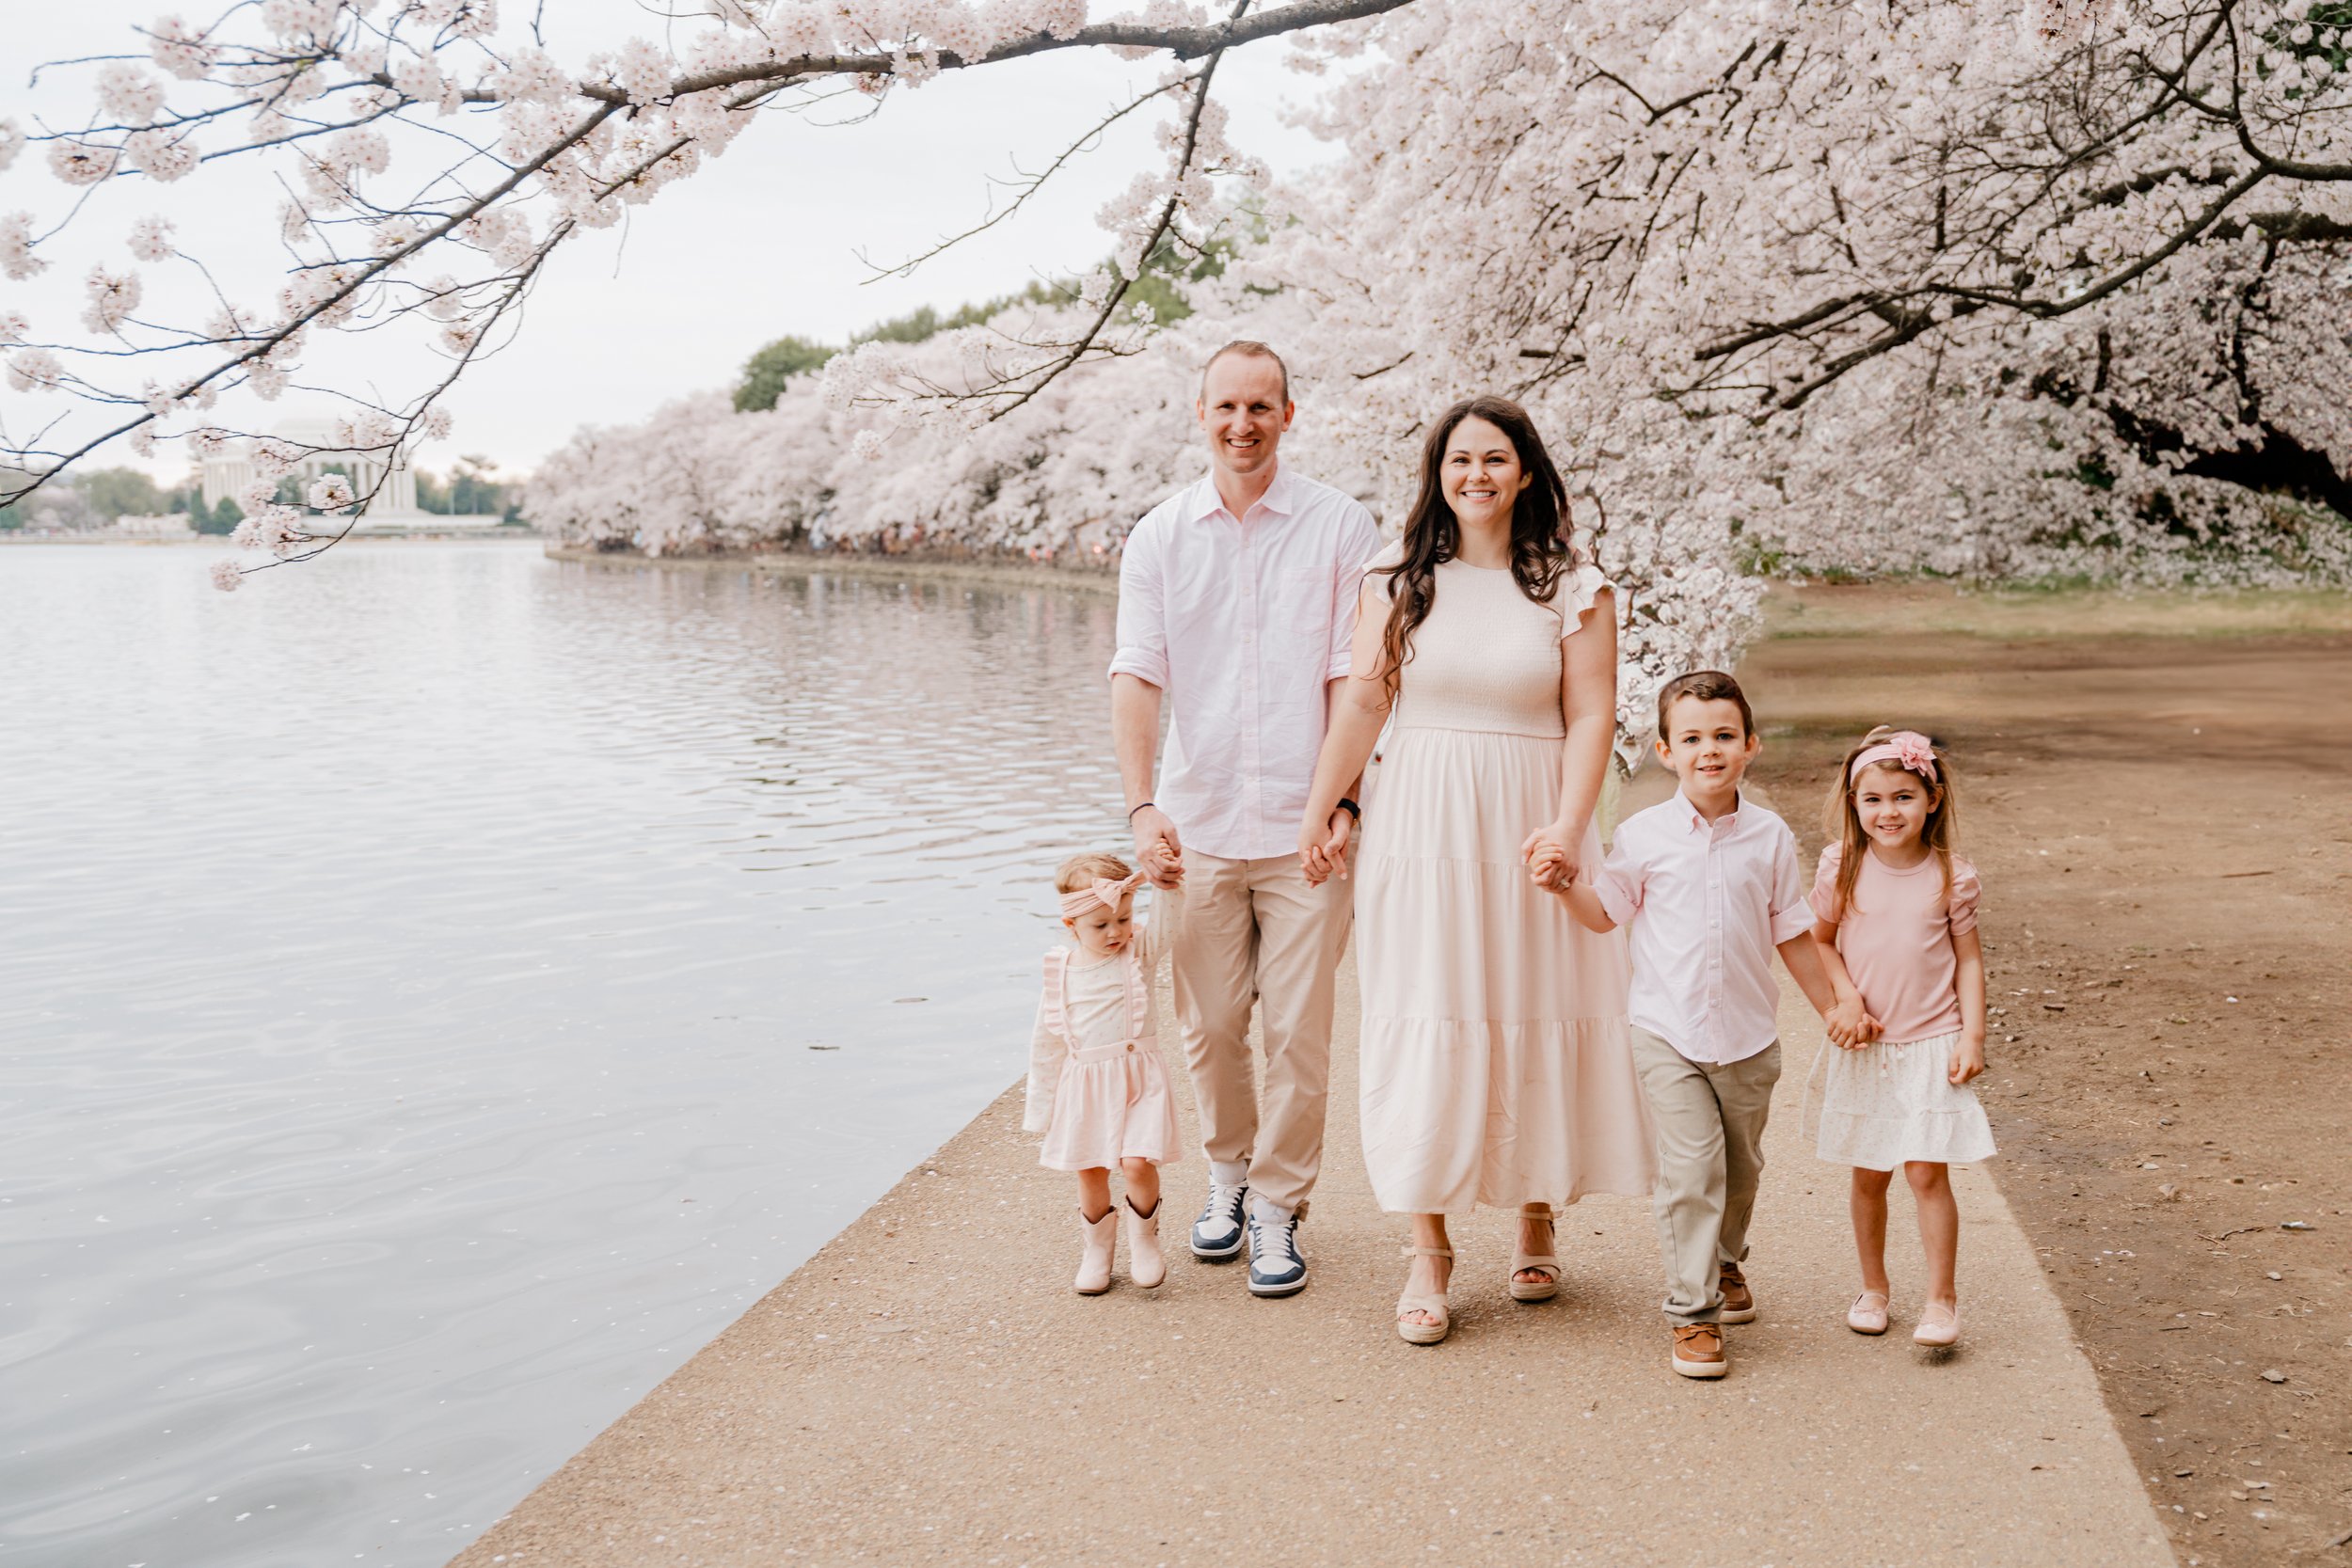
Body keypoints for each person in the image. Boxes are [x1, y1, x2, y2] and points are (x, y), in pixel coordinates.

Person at [1298, 395, 1654, 1346]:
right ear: (1437, 474)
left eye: (1495, 459)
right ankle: (1429, 1245)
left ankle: (1537, 1209)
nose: (1477, 476)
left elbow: (1590, 714)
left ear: (1526, 472)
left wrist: (1571, 827)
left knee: (1535, 998)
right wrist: (1325, 802)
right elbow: (1366, 698)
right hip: (1419, 814)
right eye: (1460, 460)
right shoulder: (1395, 576)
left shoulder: (1573, 585)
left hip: (1531, 809)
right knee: (1427, 1002)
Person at [1110, 341, 1379, 1298]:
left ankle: (1277, 1205)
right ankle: (1226, 1173)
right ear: (1200, 412)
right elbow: (1138, 675)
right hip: (1199, 822)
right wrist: (1143, 806)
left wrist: (1343, 799)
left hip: (1309, 826)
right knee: (1212, 1023)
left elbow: (1356, 675)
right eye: (1226, 406)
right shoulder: (1159, 536)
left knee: (1299, 1033)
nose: (1242, 424)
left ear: (1288, 415)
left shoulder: (1341, 527)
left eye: (1261, 407)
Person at [1542, 671, 1841, 1379]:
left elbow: (1794, 933)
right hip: (1666, 1033)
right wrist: (1563, 887)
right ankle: (1692, 1311)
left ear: (1750, 745)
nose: (1711, 749)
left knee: (1741, 1171)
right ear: (1665, 751)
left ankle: (1726, 1259)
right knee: (1691, 1170)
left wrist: (1834, 1007)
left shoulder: (1769, 837)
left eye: (1724, 736)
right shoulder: (1644, 836)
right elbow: (1605, 912)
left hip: (1748, 1037)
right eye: (1693, 738)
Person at [1806, 727, 1994, 1347]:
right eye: (1874, 799)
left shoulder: (1951, 876)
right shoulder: (1843, 864)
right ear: (1855, 804)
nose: (1889, 811)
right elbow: (1821, 940)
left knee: (1925, 1173)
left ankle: (1942, 1299)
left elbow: (1967, 960)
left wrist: (1972, 1035)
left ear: (1932, 799)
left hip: (1931, 1040)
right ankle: (1874, 1287)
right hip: (1867, 1044)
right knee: (1869, 1173)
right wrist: (1847, 998)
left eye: (1904, 796)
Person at [1023, 852, 1186, 1294]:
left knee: (1136, 1162)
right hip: (1085, 1086)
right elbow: (1046, 1045)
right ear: (1071, 925)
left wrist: (1166, 880)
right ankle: (1097, 1250)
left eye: (1124, 918)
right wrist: (1041, 1111)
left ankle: (1145, 1238)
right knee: (1091, 1170)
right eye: (1101, 925)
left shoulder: (1139, 953)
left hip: (1139, 1077)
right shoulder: (1061, 972)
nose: (1116, 932)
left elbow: (1171, 922)